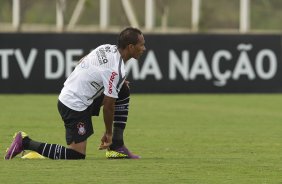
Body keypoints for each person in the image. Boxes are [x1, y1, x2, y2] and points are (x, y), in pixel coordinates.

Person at [4, 27, 146, 160]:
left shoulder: (106, 48)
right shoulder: (116, 70)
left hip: (73, 95)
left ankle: (117, 146)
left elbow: (82, 62)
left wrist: (115, 83)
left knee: (123, 89)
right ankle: (25, 142)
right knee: (76, 155)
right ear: (130, 47)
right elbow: (109, 106)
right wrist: (108, 133)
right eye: (141, 45)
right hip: (74, 105)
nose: (144, 49)